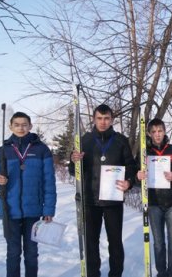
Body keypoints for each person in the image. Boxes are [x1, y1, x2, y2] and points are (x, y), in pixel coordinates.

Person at [69, 104, 137, 277]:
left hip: (113, 200)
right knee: (91, 243)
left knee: (115, 242)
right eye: (99, 118)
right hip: (90, 200)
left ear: (112, 120)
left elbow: (131, 166)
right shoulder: (85, 140)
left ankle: (116, 273)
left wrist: (129, 181)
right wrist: (74, 161)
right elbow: (73, 171)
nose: (103, 122)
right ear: (93, 119)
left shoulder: (121, 140)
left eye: (107, 118)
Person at [0, 111, 57, 277]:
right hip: (10, 211)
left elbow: (49, 181)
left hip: (33, 212)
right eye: (17, 124)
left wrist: (48, 209)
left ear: (30, 126)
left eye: (24, 124)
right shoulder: (1, 152)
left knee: (31, 254)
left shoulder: (42, 150)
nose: (21, 128)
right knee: (13, 253)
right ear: (10, 126)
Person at [135, 118, 172, 277]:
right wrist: (138, 176)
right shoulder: (145, 152)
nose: (157, 135)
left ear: (164, 131)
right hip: (153, 203)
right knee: (159, 243)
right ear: (150, 133)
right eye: (154, 132)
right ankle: (161, 272)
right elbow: (135, 175)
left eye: (160, 131)